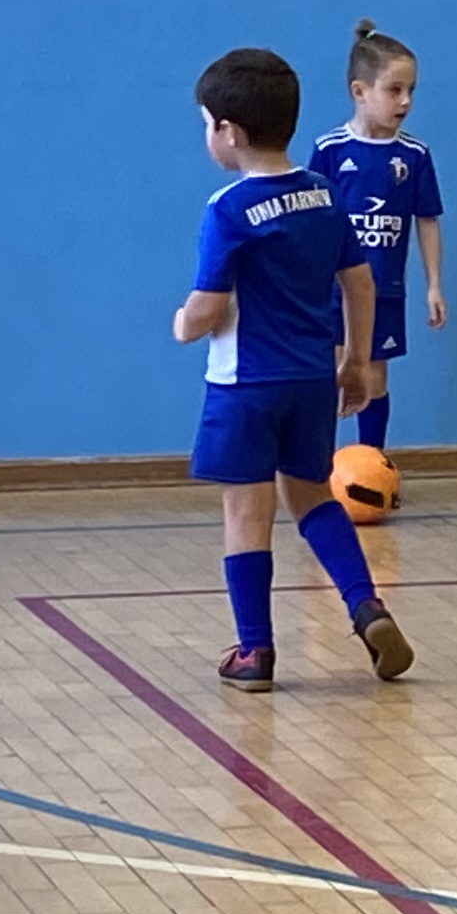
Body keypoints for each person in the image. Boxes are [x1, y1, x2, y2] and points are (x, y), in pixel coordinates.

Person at [177, 47, 413, 690]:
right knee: (312, 497)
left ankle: (255, 651)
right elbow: (359, 282)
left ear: (230, 131)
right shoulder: (323, 195)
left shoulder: (228, 208)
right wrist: (356, 362)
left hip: (245, 385)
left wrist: (183, 324)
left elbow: (208, 306)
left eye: (208, 125)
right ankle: (367, 607)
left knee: (246, 514)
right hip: (312, 378)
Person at [310, 20, 448, 463]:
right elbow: (311, 222)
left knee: (373, 379)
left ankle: (371, 468)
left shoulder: (414, 156)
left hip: (383, 290)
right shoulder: (330, 150)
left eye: (411, 90)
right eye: (394, 90)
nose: (405, 101)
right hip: (334, 291)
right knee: (331, 376)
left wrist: (433, 285)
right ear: (359, 91)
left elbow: (427, 220)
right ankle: (315, 471)